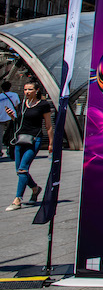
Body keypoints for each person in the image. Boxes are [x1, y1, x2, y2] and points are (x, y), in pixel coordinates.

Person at [6, 82, 54, 211]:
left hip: (34, 139)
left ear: (37, 90)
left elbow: (49, 125)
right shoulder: (22, 105)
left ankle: (18, 199)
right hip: (20, 139)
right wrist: (12, 116)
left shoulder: (43, 105)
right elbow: (19, 123)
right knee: (19, 170)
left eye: (30, 89)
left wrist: (51, 143)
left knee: (23, 169)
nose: (27, 92)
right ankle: (35, 188)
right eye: (25, 89)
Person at [0, 81, 19, 161]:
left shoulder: (0, 96)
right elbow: (17, 105)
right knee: (12, 134)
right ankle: (11, 149)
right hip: (11, 117)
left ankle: (0, 151)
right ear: (10, 87)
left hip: (1, 118)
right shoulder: (14, 95)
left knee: (0, 136)